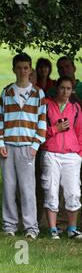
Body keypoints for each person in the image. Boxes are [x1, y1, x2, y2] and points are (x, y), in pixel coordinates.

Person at [0, 53, 46, 239]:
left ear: (30, 69)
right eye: (19, 68)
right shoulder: (7, 92)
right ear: (13, 69)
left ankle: (31, 227)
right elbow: (1, 120)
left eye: (26, 68)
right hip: (8, 146)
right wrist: (1, 141)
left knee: (27, 188)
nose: (23, 71)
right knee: (9, 187)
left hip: (28, 147)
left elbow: (42, 123)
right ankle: (9, 225)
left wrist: (35, 145)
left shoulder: (37, 93)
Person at [40, 76, 82, 239]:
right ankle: (52, 229)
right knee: (51, 189)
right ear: (56, 88)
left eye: (68, 89)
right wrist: (55, 129)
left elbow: (79, 132)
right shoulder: (46, 105)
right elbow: (40, 130)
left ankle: (72, 228)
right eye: (62, 88)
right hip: (51, 153)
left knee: (73, 192)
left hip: (72, 155)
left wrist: (79, 153)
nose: (65, 92)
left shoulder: (76, 108)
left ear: (72, 90)